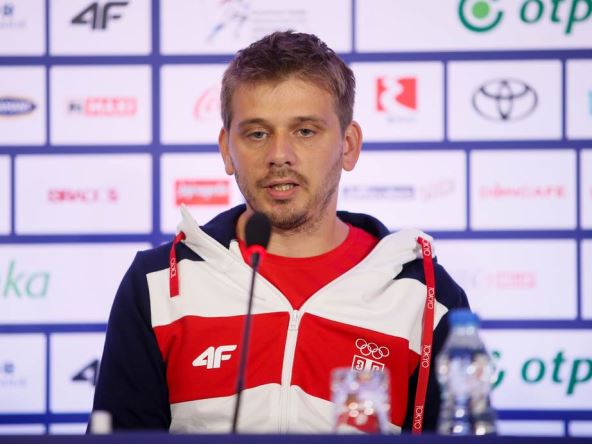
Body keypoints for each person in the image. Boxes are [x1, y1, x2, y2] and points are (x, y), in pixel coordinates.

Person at [91, 30, 469, 434]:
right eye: (257, 133)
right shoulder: (157, 284)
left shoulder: (425, 295)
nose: (279, 156)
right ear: (227, 149)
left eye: (305, 131)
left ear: (348, 145)